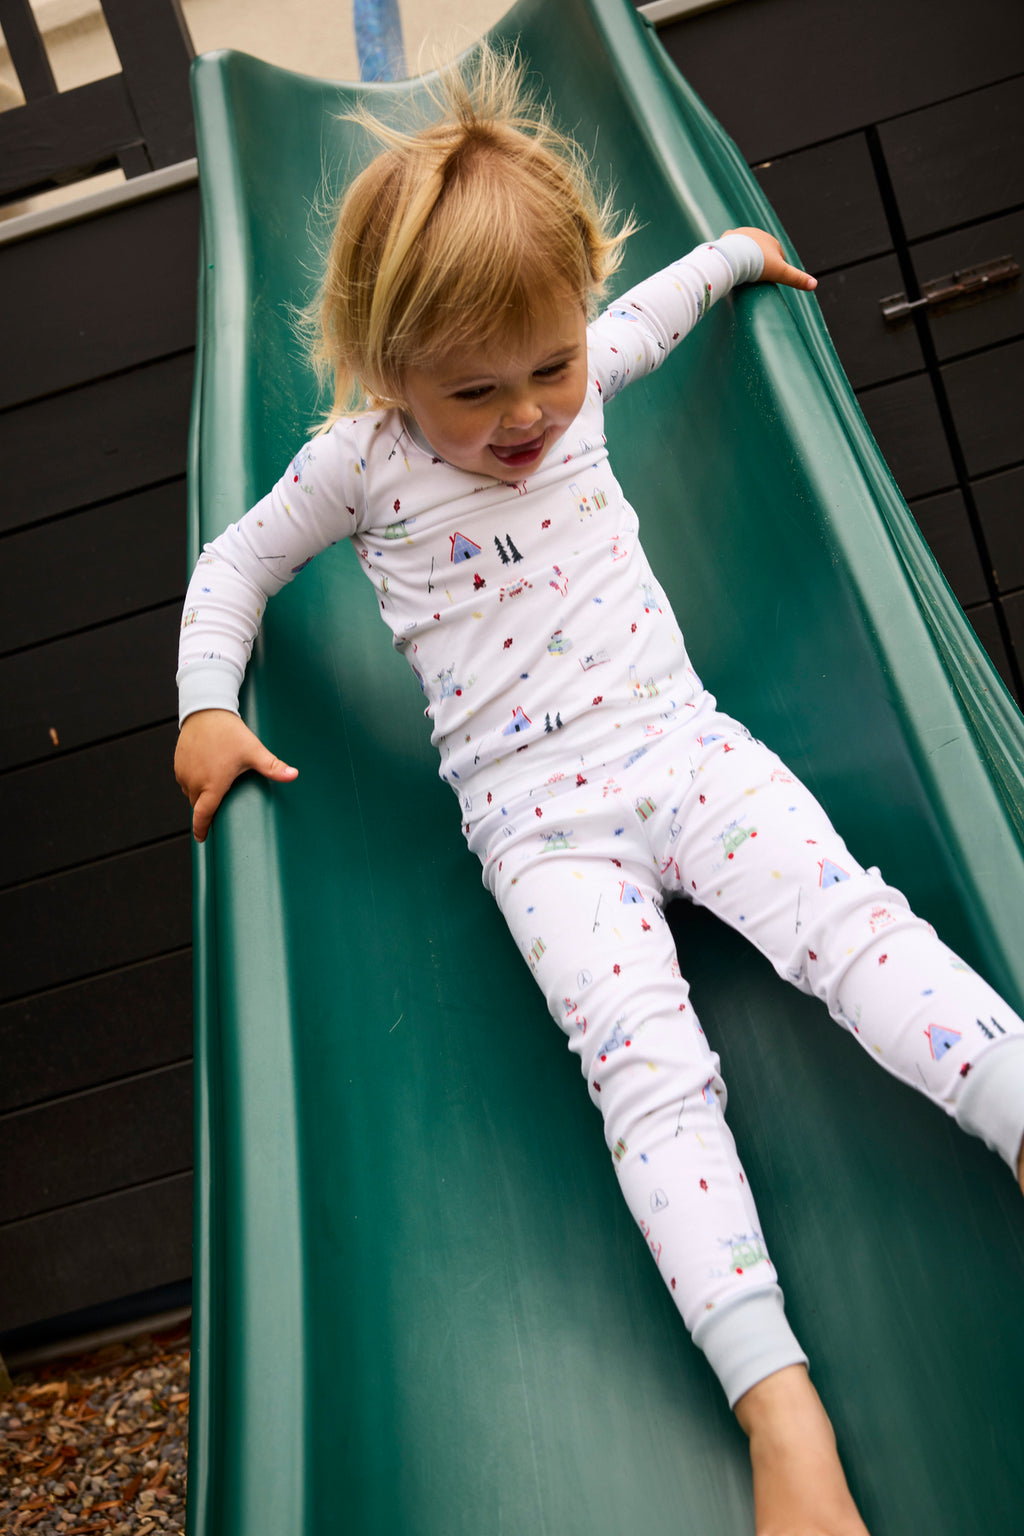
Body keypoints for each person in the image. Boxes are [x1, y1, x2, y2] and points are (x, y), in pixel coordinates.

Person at [174, 46, 1024, 1536]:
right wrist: (204, 707)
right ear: (386, 372)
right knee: (648, 1072)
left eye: (550, 367)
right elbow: (234, 563)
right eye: (474, 391)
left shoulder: (582, 375)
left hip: (685, 747)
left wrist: (741, 256)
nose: (528, 419)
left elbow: (656, 309)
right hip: (538, 825)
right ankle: (781, 1410)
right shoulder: (358, 467)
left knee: (856, 930)